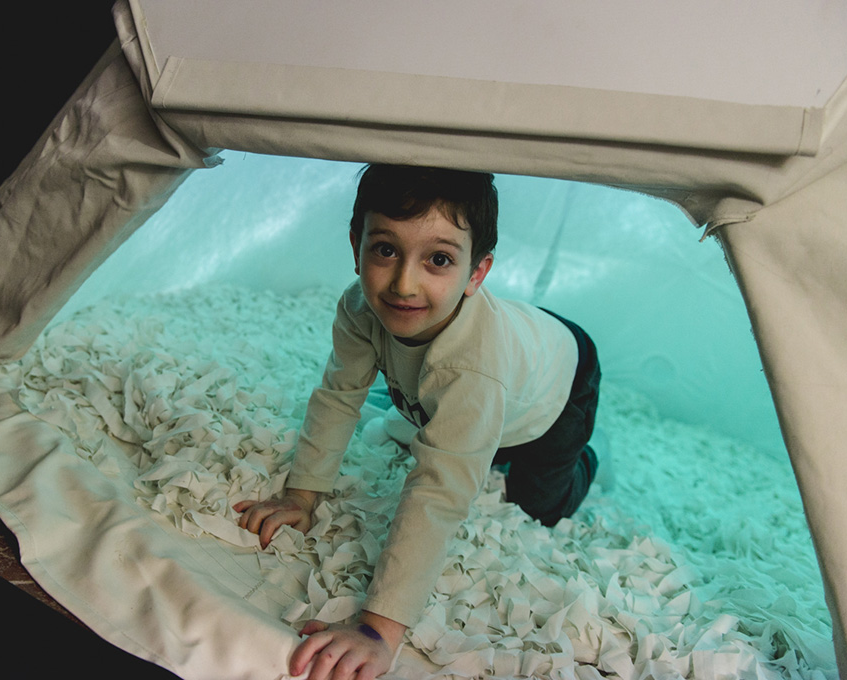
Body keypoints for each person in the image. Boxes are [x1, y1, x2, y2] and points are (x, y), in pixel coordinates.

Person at [234, 164, 602, 680]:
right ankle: (482, 430)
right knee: (453, 423)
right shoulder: (360, 306)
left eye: (439, 259)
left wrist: (377, 630)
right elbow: (340, 396)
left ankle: (586, 452)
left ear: (476, 273)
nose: (404, 283)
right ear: (355, 243)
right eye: (385, 250)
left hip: (562, 377)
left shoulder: (475, 369)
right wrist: (302, 496)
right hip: (509, 354)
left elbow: (439, 491)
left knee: (537, 503)